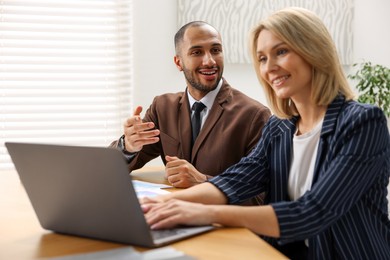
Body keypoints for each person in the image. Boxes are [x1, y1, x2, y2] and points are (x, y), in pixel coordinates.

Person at [142, 7, 390, 259]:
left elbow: (313, 212)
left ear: (314, 51)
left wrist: (204, 212)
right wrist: (160, 205)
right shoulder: (279, 128)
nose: (269, 67)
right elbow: (233, 182)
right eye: (262, 58)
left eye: (280, 52)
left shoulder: (362, 122)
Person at [111, 21, 271, 196]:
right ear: (178, 62)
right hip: (172, 213)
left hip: (223, 220)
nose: (209, 61)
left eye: (216, 50)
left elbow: (262, 195)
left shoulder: (255, 115)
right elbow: (109, 169)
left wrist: (204, 181)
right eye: (197, 52)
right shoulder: (162, 108)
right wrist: (128, 146)